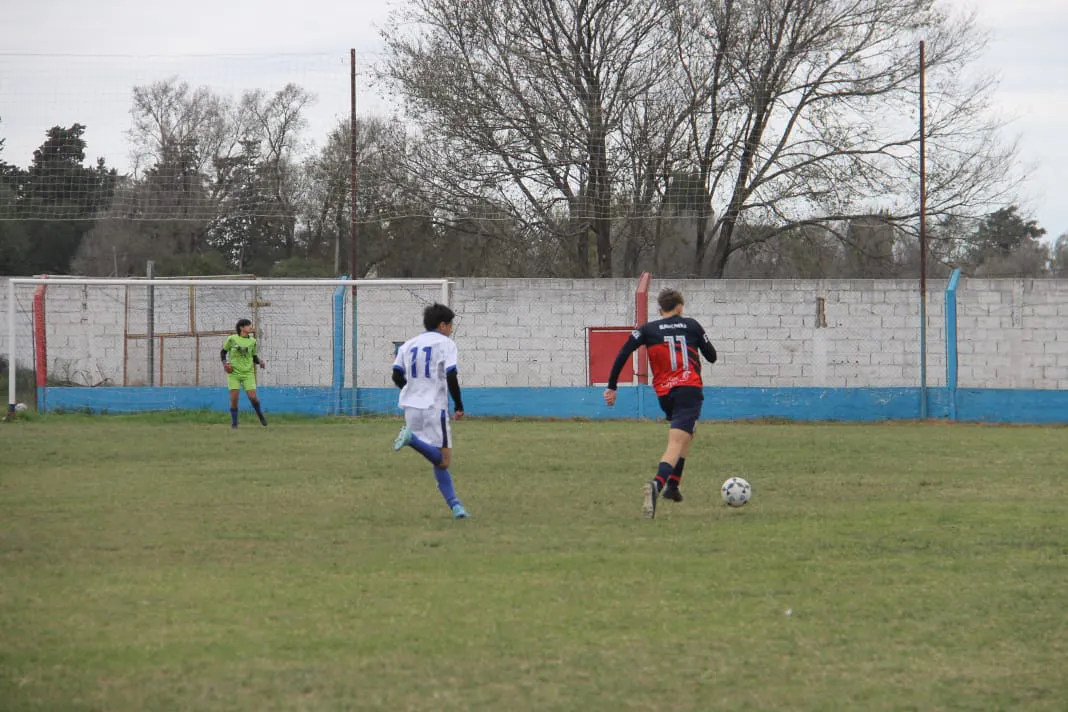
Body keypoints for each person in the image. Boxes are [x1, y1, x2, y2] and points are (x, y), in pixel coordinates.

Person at [604, 288, 717, 519]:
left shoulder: (647, 329)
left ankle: (673, 487)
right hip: (689, 389)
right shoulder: (692, 325)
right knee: (676, 441)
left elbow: (623, 353)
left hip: (665, 393)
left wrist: (612, 386)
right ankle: (657, 484)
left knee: (688, 432)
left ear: (659, 310)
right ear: (680, 308)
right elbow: (712, 356)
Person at [390, 303, 468, 519]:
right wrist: (459, 405)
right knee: (444, 460)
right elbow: (451, 375)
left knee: (438, 460)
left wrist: (412, 390)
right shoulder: (446, 344)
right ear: (442, 325)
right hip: (434, 407)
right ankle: (411, 439)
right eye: (450, 325)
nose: (451, 329)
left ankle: (456, 506)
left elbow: (396, 375)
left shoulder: (408, 345)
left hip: (410, 408)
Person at [221, 318, 268, 429]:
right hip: (234, 373)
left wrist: (260, 362)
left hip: (248, 373)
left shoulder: (252, 341)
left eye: (250, 325)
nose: (250, 327)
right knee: (234, 399)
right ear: (241, 327)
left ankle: (260, 415)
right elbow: (223, 352)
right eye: (248, 325)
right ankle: (234, 424)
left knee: (253, 397)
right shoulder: (232, 339)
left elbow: (254, 357)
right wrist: (225, 363)